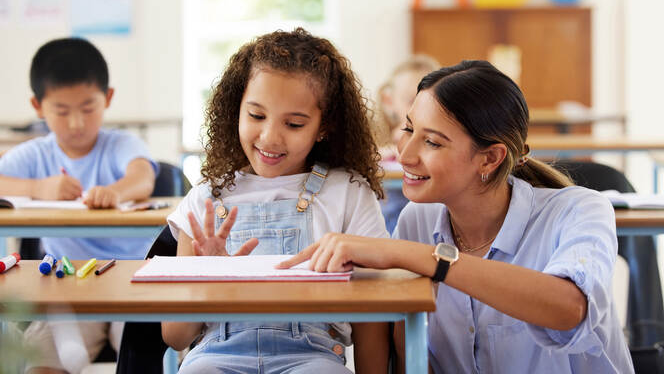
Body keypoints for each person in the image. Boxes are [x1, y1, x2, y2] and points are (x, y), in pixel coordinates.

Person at [279, 60, 635, 373]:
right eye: (409, 129)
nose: (406, 156)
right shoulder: (417, 222)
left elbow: (568, 308)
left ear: (490, 158)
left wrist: (421, 258)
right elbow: (414, 359)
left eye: (432, 142)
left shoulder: (580, 210)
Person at [162, 28, 390, 374]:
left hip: (312, 358)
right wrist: (204, 277)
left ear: (323, 126)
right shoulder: (206, 198)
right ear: (234, 108)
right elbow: (176, 337)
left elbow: (373, 315)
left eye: (295, 124)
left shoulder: (349, 193)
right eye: (256, 116)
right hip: (216, 357)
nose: (270, 137)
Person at [0, 37, 158, 374]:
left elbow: (143, 176)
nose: (76, 123)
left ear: (108, 98)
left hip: (131, 286)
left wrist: (115, 191)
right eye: (61, 111)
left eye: (88, 108)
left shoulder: (119, 144)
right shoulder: (36, 155)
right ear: (38, 106)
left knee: (144, 358)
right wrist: (37, 187)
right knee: (41, 364)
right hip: (67, 289)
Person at [374, 55, 440, 234]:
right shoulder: (380, 144)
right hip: (386, 233)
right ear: (389, 101)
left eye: (432, 101)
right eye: (412, 100)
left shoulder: (444, 140)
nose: (422, 108)